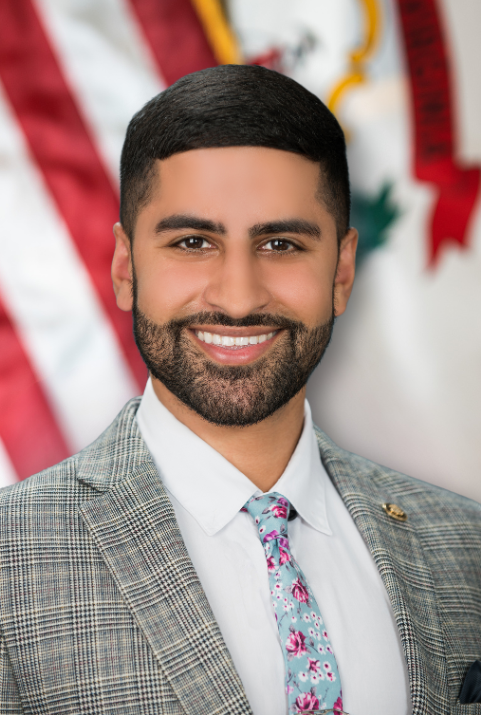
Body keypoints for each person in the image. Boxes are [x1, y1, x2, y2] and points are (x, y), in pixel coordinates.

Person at [0, 64, 480, 715]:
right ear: (124, 267)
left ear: (340, 271)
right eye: (192, 241)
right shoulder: (10, 561)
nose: (237, 296)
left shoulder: (464, 546)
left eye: (280, 243)